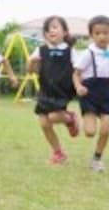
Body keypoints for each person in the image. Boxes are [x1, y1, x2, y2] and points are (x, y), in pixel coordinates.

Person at [73, 15, 109, 172]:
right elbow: (76, 74)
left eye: (105, 33)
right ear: (91, 35)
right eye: (97, 33)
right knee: (90, 132)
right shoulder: (87, 54)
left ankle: (97, 159)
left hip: (107, 93)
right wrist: (78, 86)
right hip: (89, 93)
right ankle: (75, 120)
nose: (102, 36)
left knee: (106, 129)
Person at [27, 16, 80, 164]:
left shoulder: (70, 51)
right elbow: (30, 70)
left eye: (55, 27)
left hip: (62, 90)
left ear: (65, 32)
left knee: (53, 117)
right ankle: (58, 152)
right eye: (48, 28)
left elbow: (78, 69)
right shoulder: (40, 50)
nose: (51, 30)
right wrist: (32, 63)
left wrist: (79, 85)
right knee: (44, 124)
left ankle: (70, 118)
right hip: (45, 90)